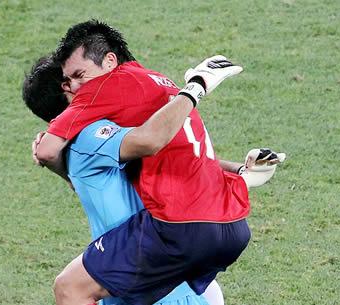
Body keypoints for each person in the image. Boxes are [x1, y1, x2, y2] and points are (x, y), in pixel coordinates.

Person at [27, 20, 283, 305]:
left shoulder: (90, 133)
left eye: (78, 76)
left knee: (69, 288)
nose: (79, 86)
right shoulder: (153, 85)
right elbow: (182, 152)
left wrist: (197, 86)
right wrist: (241, 171)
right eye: (70, 80)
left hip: (171, 245)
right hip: (223, 233)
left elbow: (51, 151)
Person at [24, 56, 228, 305]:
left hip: (150, 279)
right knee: (68, 288)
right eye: (79, 80)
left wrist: (52, 154)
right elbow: (151, 139)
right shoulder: (92, 136)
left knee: (70, 288)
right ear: (68, 92)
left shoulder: (77, 149)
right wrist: (195, 86)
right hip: (162, 286)